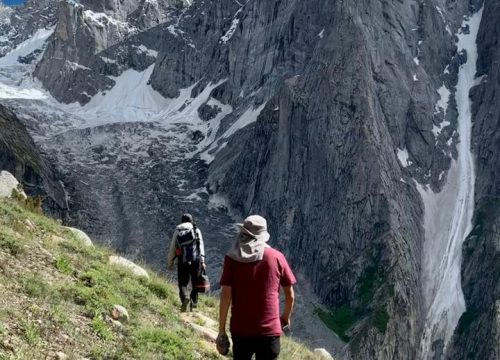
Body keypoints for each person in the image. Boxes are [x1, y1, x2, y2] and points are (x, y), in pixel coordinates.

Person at [217, 215, 296, 360]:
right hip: (269, 332)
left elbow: (225, 296)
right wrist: (285, 317)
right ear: (263, 236)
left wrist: (221, 331)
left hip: (241, 332)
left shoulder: (232, 258)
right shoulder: (277, 257)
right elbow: (290, 295)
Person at [168, 213, 205, 312]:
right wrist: (202, 261)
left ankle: (185, 298)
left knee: (182, 283)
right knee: (195, 282)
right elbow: (200, 246)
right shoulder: (196, 229)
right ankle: (194, 303)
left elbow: (173, 247)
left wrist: (170, 262)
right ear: (191, 220)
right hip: (195, 260)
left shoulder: (178, 230)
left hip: (182, 261)